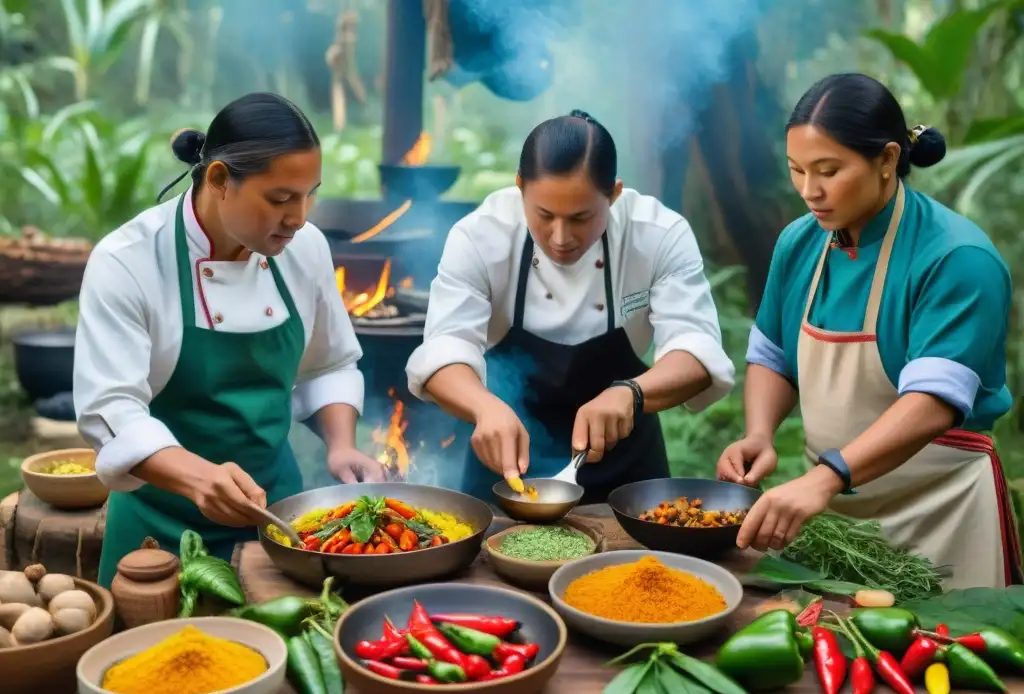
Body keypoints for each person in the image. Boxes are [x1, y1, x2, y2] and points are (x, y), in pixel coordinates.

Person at [717, 73, 1021, 590]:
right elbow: (772, 354)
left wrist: (825, 477)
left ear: (886, 159)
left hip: (942, 509)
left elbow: (932, 401)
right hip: (832, 517)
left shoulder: (956, 260)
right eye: (796, 171)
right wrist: (760, 434)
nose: (810, 191)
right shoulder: (800, 242)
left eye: (829, 171)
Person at [75, 92, 387, 587]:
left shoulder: (305, 249)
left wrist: (341, 444)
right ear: (220, 179)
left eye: (309, 195)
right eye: (281, 199)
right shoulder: (127, 261)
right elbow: (110, 411)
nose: (299, 217)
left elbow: (329, 363)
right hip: (158, 537)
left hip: (278, 524)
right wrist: (201, 478)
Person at [406, 109, 734, 502]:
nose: (561, 237)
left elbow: (696, 348)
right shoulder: (481, 237)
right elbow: (445, 346)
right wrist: (483, 408)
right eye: (544, 215)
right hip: (506, 465)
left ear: (613, 194)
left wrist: (632, 393)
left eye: (581, 217)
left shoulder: (658, 235)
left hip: (627, 467)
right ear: (520, 187)